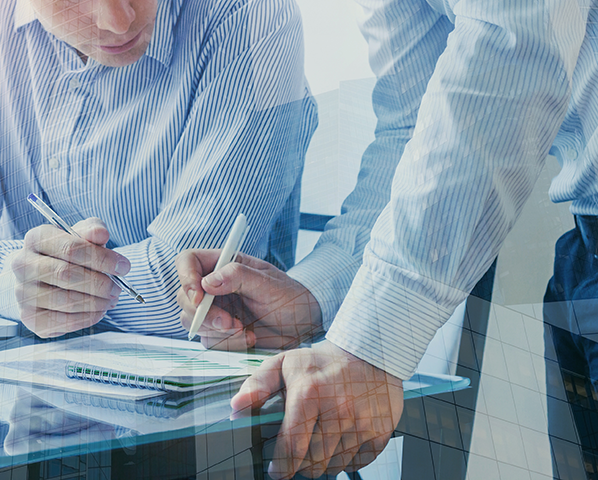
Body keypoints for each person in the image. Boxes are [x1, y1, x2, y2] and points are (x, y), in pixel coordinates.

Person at [178, 0, 595, 478]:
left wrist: (368, 344)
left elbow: (512, 55)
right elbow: (414, 128)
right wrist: (315, 297)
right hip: (584, 253)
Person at [0, 0, 317, 339]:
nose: (117, 20)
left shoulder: (254, 15)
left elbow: (191, 291)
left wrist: (51, 288)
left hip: (201, 413)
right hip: (13, 395)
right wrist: (11, 281)